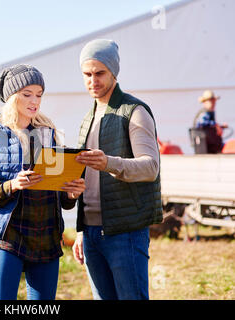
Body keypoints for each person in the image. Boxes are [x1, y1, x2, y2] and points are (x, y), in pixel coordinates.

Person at [0, 64, 86, 300]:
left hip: (45, 236)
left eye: (39, 94)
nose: (34, 101)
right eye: (27, 94)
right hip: (8, 237)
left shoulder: (49, 132)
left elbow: (61, 196)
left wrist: (71, 193)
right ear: (12, 97)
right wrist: (12, 185)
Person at [71, 39, 163, 300]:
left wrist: (109, 163)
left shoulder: (134, 112)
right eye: (87, 74)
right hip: (91, 234)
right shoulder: (87, 119)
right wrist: (80, 232)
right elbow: (86, 179)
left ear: (114, 72)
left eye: (99, 73)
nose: (93, 80)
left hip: (125, 232)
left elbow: (150, 167)